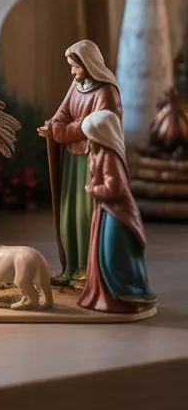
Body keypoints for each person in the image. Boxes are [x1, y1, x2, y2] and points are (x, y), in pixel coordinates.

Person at [38, 39, 122, 288]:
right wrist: (52, 125)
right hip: (72, 159)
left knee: (86, 215)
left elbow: (97, 125)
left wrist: (64, 131)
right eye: (71, 66)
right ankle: (70, 267)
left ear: (88, 64)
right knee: (69, 214)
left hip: (92, 160)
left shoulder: (106, 91)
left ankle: (88, 271)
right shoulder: (77, 85)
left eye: (75, 66)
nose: (73, 71)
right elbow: (63, 113)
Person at [77, 111, 156, 315]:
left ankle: (128, 292)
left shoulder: (109, 157)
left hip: (117, 213)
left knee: (113, 252)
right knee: (103, 251)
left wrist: (92, 189)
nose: (88, 141)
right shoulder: (98, 153)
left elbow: (114, 189)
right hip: (105, 210)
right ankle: (106, 295)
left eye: (90, 136)